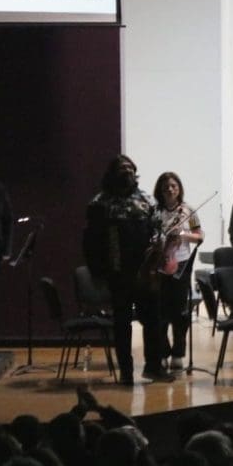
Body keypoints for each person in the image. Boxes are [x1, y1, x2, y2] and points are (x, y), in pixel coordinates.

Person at [83, 155, 171, 385]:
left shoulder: (146, 200)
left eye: (131, 169)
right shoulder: (100, 203)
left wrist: (158, 245)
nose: (128, 172)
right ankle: (126, 371)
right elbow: (90, 241)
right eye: (123, 169)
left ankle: (153, 366)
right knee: (121, 324)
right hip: (117, 271)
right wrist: (97, 272)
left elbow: (158, 229)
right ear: (113, 173)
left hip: (145, 270)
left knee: (153, 320)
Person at [152, 172, 205, 372]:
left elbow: (199, 236)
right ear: (160, 190)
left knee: (179, 311)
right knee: (160, 310)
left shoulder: (188, 211)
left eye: (174, 186)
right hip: (158, 263)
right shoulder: (154, 211)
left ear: (179, 188)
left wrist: (181, 233)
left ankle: (178, 353)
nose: (170, 190)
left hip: (181, 262)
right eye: (166, 187)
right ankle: (162, 351)